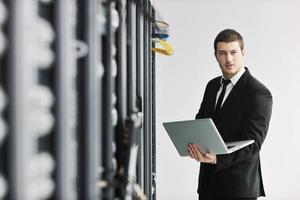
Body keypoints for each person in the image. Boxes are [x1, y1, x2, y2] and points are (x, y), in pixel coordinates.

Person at [187, 29, 273, 200]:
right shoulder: (212, 86)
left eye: (233, 52)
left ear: (243, 52)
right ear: (215, 55)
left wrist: (217, 159)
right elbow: (202, 122)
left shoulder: (258, 93)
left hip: (238, 188)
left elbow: (253, 144)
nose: (228, 59)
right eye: (222, 53)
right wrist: (193, 142)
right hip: (208, 185)